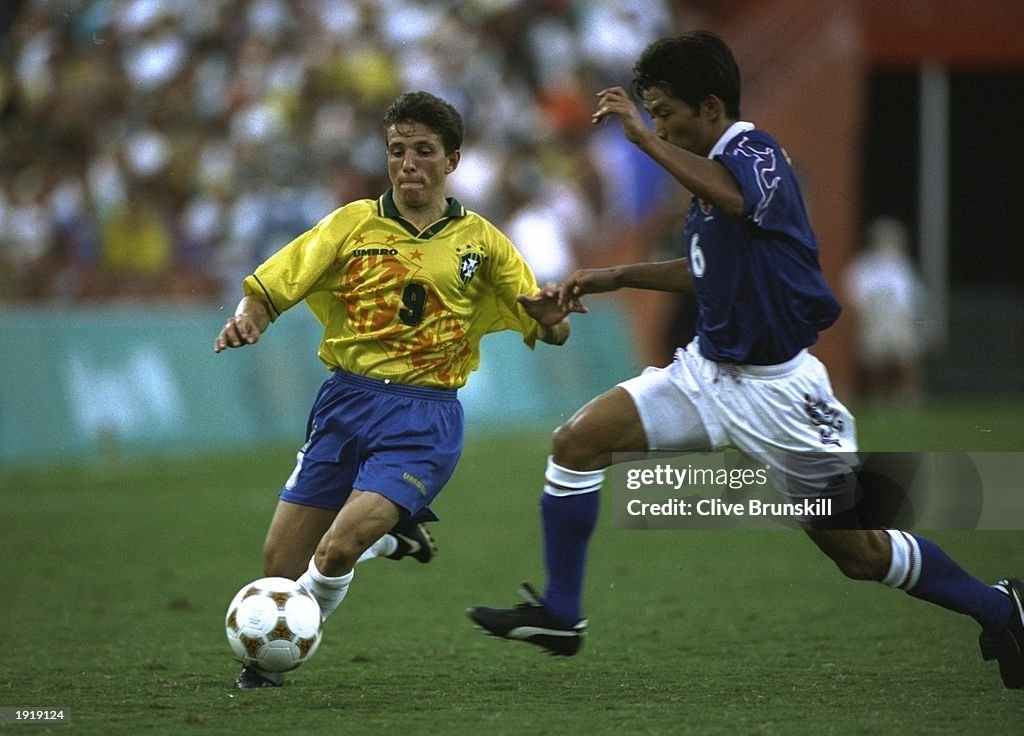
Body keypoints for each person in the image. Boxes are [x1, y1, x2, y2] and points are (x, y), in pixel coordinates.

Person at [467, 32, 1024, 689]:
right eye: (650, 114)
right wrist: (608, 276)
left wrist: (641, 143)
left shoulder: (752, 150)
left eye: (664, 111)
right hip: (707, 374)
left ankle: (1000, 605)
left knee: (861, 553)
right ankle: (562, 613)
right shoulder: (707, 176)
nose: (659, 126)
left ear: (709, 106)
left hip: (780, 394)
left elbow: (738, 199)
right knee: (576, 442)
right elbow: (707, 271)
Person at [215, 91, 573, 689]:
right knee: (279, 567)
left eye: (423, 151)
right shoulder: (351, 223)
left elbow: (552, 330)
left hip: (423, 418)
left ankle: (274, 661)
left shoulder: (483, 244)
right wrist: (250, 316)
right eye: (397, 150)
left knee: (333, 552)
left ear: (452, 161)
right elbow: (273, 283)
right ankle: (388, 537)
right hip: (344, 404)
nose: (408, 163)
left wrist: (551, 313)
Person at [843, 216, 926, 404]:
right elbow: (856, 293)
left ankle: (907, 397)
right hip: (875, 317)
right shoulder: (864, 265)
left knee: (905, 358)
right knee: (875, 361)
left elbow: (911, 294)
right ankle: (877, 397)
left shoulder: (901, 265)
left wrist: (911, 317)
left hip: (898, 317)